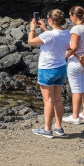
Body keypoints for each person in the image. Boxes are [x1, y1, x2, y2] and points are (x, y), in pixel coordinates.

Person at [27, 9, 72, 138]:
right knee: (57, 99)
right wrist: (45, 28)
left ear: (51, 20)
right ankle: (58, 127)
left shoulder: (49, 35)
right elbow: (54, 38)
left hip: (47, 70)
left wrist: (32, 28)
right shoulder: (66, 32)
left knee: (48, 101)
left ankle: (47, 130)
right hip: (61, 69)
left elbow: (31, 41)